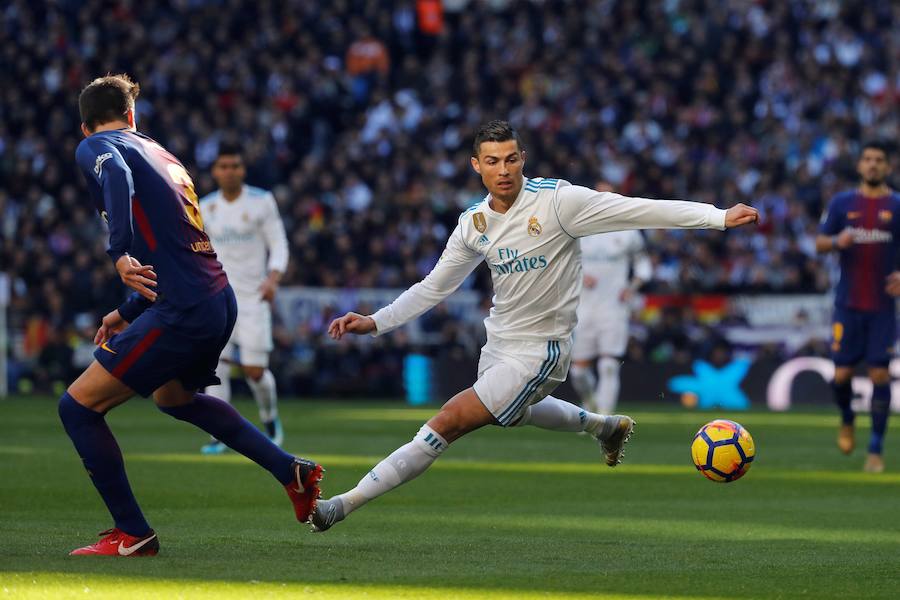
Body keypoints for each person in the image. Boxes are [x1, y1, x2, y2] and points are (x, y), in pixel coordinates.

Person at [311, 120, 758, 531]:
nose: (502, 169)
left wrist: (716, 217)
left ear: (522, 158)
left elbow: (637, 211)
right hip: (499, 344)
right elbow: (434, 287)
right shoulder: (474, 224)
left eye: (510, 159)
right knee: (515, 414)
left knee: (447, 422)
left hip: (542, 351)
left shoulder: (560, 202)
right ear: (476, 166)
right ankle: (604, 425)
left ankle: (342, 505)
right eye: (492, 161)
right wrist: (375, 321)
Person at [61, 74, 322, 557]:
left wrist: (117, 252)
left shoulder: (97, 146)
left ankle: (132, 533)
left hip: (183, 308)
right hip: (215, 297)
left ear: (85, 128)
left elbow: (113, 176)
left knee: (77, 407)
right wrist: (128, 310)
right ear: (132, 115)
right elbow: (173, 248)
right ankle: (290, 470)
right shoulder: (164, 156)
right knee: (175, 398)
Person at [198, 146, 289, 453]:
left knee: (254, 371)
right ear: (215, 171)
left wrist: (273, 278)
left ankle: (270, 418)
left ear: (243, 169)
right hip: (218, 297)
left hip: (253, 298)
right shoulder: (205, 207)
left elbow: (278, 243)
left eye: (235, 165)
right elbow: (199, 252)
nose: (230, 171)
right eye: (223, 166)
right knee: (215, 368)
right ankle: (218, 434)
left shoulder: (261, 202)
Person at [816, 141, 900, 473]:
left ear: (888, 168)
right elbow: (820, 242)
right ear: (860, 166)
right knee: (841, 375)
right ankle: (847, 418)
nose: (873, 165)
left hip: (882, 307)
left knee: (879, 372)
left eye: (879, 160)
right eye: (867, 159)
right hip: (847, 305)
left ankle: (876, 449)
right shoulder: (841, 203)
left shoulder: (896, 206)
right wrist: (837, 241)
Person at [569, 181, 653, 414]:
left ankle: (603, 420)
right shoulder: (578, 227)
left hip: (614, 307)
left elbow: (643, 264)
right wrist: (579, 274)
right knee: (578, 372)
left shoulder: (628, 231)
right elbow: (562, 261)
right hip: (583, 307)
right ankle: (589, 405)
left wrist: (632, 287)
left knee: (608, 365)